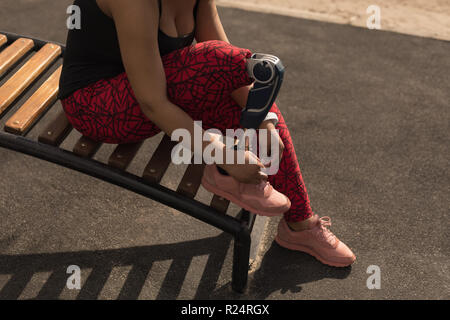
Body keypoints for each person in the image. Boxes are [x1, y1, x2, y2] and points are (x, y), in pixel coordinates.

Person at [59, 0, 356, 267]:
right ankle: (224, 171)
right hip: (96, 105)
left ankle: (300, 225)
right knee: (214, 62)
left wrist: (264, 120)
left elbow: (227, 67)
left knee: (253, 102)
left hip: (153, 88)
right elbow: (153, 102)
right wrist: (221, 153)